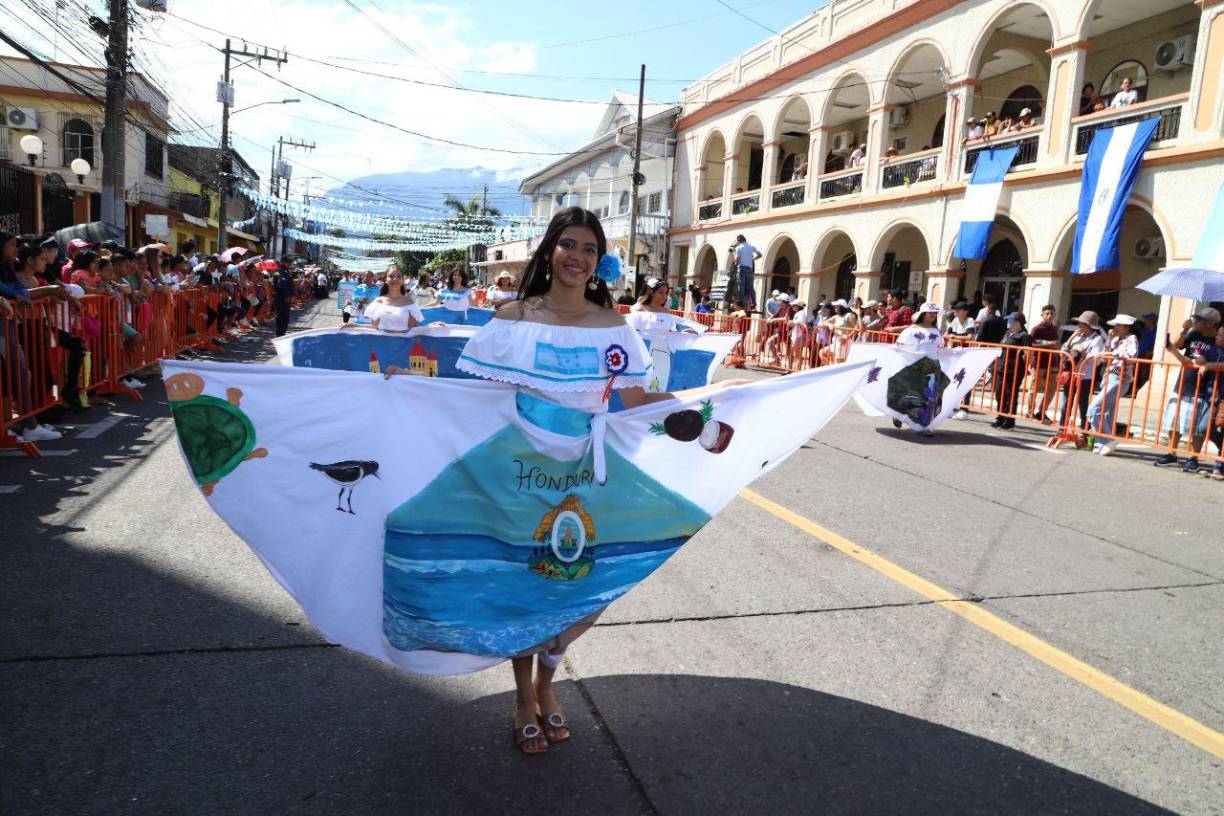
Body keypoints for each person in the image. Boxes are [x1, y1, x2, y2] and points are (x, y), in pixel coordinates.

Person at [383, 207, 751, 753]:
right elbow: (482, 397)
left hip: (590, 471)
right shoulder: (513, 318)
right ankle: (525, 698)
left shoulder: (615, 327)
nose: (578, 257)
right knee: (524, 581)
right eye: (568, 245)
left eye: (588, 248)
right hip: (518, 470)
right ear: (551, 251)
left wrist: (712, 402)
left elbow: (634, 400)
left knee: (589, 585)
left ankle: (548, 681)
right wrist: (409, 389)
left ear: (598, 260)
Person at [1154, 308, 1223, 471]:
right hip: (1183, 382)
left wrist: (1208, 365)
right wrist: (1184, 330)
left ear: (1209, 323)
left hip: (1201, 388)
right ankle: (1172, 453)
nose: (1195, 321)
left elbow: (1200, 362)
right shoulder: (1193, 333)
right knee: (1174, 422)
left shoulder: (1217, 342)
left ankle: (1193, 458)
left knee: (1196, 427)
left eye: (1198, 319)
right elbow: (1179, 345)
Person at [1089, 315, 1141, 456]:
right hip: (1109, 376)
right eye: (1116, 324)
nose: (1116, 327)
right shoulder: (1116, 339)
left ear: (1126, 326)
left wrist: (1114, 353)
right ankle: (1100, 442)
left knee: (1094, 409)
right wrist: (1110, 340)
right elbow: (1107, 355)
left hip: (1120, 378)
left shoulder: (1132, 339)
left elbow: (1132, 354)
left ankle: (1107, 440)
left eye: (1119, 325)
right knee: (1105, 411)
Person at [1061, 311, 1106, 429]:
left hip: (1085, 375)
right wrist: (1071, 338)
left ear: (1089, 325)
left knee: (1082, 402)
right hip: (1071, 373)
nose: (1079, 326)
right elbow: (1063, 352)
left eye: (1082, 323)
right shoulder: (1077, 336)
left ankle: (1084, 429)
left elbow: (1097, 360)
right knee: (1066, 402)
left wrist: (1082, 351)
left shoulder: (1097, 340)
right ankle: (1063, 427)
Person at [992, 313, 1032, 430]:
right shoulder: (1007, 333)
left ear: (1018, 322)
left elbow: (1028, 353)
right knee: (999, 392)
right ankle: (1000, 417)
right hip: (1001, 367)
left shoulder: (1024, 336)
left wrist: (1026, 365)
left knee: (1010, 394)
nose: (1009, 323)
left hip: (1014, 369)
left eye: (1011, 321)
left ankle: (1009, 420)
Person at [358, 267, 423, 333]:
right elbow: (374, 327)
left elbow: (414, 330)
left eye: (399, 277)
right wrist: (353, 326)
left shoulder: (409, 302)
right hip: (382, 342)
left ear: (402, 280)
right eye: (391, 276)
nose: (395, 279)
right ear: (385, 279)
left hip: (402, 342)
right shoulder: (378, 302)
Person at [1029, 304, 1061, 423]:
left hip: (1052, 362)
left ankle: (1042, 411)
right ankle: (1030, 411)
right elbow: (1030, 344)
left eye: (1052, 313)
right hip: (1038, 362)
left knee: (1051, 388)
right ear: (1042, 314)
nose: (1049, 316)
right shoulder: (1037, 329)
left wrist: (1058, 361)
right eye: (1047, 313)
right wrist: (1048, 344)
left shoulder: (1054, 328)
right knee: (1034, 388)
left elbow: (1056, 344)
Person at [732, 235, 761, 311]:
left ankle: (742, 304)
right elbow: (760, 255)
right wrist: (752, 259)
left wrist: (733, 253)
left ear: (739, 240)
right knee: (751, 287)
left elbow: (737, 260)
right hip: (749, 269)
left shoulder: (739, 248)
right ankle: (753, 304)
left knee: (741, 287)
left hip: (741, 268)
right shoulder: (751, 247)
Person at [272, 258, 294, 337]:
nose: (289, 264)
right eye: (288, 262)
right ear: (283, 262)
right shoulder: (280, 271)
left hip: (284, 298)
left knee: (285, 318)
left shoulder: (285, 271)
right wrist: (286, 296)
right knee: (282, 317)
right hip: (282, 298)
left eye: (290, 263)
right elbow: (281, 284)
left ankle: (281, 334)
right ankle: (280, 335)